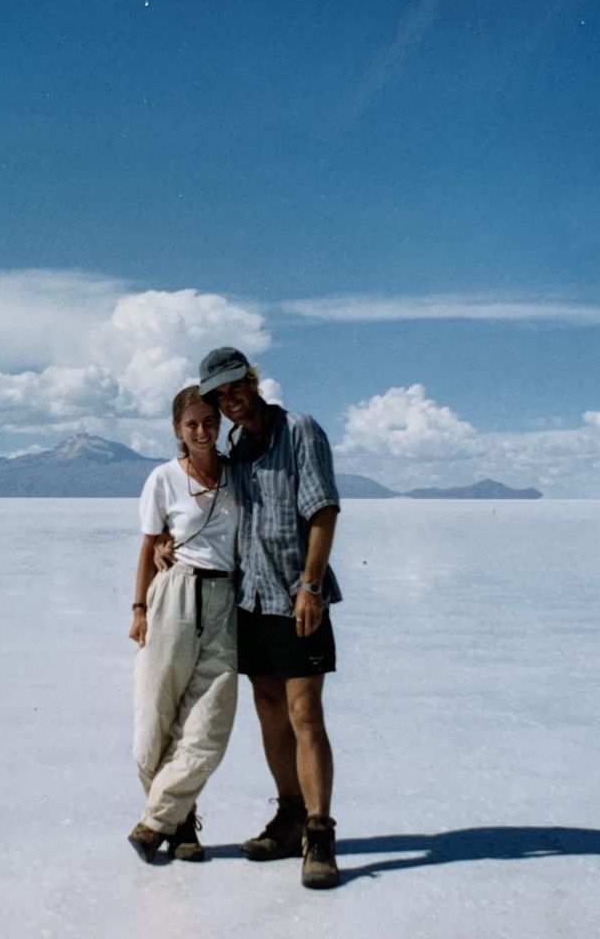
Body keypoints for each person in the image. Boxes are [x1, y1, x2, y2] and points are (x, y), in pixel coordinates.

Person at [197, 346, 343, 889]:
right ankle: (288, 819)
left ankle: (319, 834)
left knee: (305, 713)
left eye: (236, 387)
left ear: (252, 382)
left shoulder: (299, 430)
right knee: (268, 708)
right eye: (219, 394)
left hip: (296, 595)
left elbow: (323, 509)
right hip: (251, 598)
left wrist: (310, 583)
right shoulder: (237, 447)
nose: (230, 400)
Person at [127, 385, 240, 863]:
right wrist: (138, 609)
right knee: (155, 719)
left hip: (225, 601)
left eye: (209, 422)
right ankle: (181, 824)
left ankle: (155, 821)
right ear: (177, 428)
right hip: (173, 595)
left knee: (209, 725)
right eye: (191, 423)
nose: (201, 431)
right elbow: (149, 543)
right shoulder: (163, 478)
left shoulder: (240, 475)